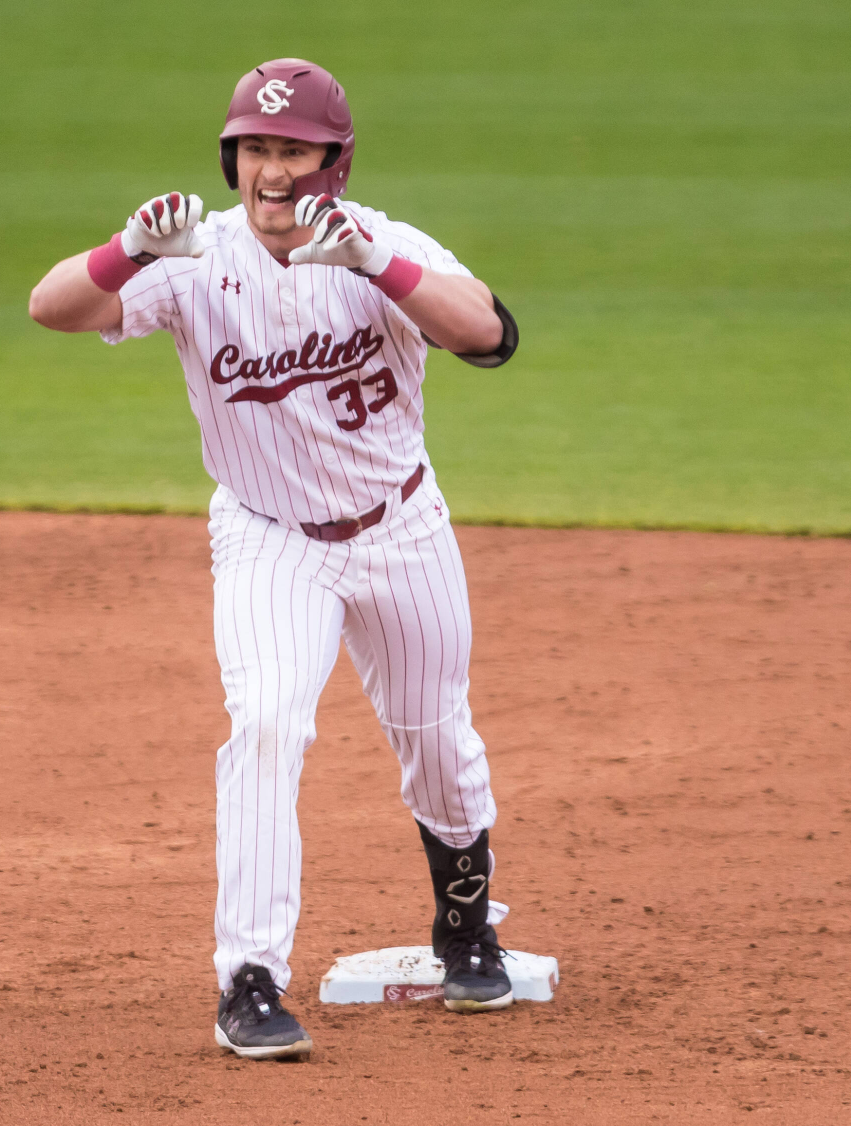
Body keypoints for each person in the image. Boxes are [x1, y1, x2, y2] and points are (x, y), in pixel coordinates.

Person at [29, 58, 520, 1061]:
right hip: (268, 540)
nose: (272, 170)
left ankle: (465, 919)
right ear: (231, 158)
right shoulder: (191, 255)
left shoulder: (384, 245)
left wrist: (374, 266)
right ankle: (247, 980)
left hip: (401, 531)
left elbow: (491, 336)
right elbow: (51, 307)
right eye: (256, 148)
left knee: (435, 735)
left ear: (332, 164)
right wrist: (126, 249)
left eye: (292, 150)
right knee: (262, 726)